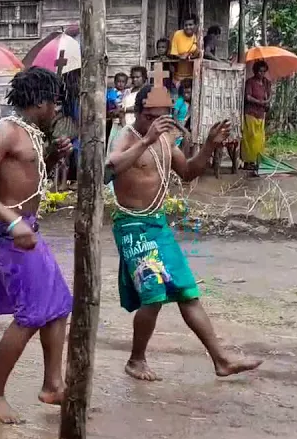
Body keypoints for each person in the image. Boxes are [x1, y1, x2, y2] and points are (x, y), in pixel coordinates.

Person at [108, 85, 262, 381]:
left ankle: (221, 360)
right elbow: (111, 167)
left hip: (158, 224)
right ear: (140, 113)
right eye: (154, 117)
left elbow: (189, 171)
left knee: (186, 292)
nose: (160, 122)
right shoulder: (125, 137)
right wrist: (147, 140)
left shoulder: (166, 140)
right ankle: (136, 360)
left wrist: (209, 146)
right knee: (153, 295)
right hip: (132, 226)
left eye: (165, 116)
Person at [0, 67, 75, 424]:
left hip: (28, 229)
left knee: (58, 304)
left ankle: (53, 384)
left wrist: (55, 156)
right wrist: (12, 223)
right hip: (8, 233)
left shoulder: (31, 134)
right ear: (40, 102)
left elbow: (26, 178)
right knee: (31, 314)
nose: (57, 111)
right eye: (54, 103)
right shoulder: (6, 130)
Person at [241, 61, 272, 172]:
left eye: (264, 71)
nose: (261, 73)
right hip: (251, 113)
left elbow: (269, 96)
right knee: (250, 138)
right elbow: (248, 97)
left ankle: (257, 160)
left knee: (259, 139)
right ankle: (248, 162)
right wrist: (260, 102)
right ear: (255, 71)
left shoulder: (267, 83)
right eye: (259, 71)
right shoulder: (250, 82)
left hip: (261, 114)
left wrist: (267, 102)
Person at [169, 16, 201, 81]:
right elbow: (171, 53)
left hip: (192, 74)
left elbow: (198, 53)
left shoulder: (197, 37)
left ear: (195, 25)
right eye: (186, 25)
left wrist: (190, 56)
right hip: (177, 74)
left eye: (190, 25)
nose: (188, 27)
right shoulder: (177, 34)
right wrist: (180, 56)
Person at [172, 79, 192, 147]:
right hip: (177, 128)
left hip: (184, 129)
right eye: (184, 92)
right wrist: (185, 130)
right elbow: (174, 118)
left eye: (188, 92)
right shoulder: (180, 101)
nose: (186, 95)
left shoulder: (193, 103)